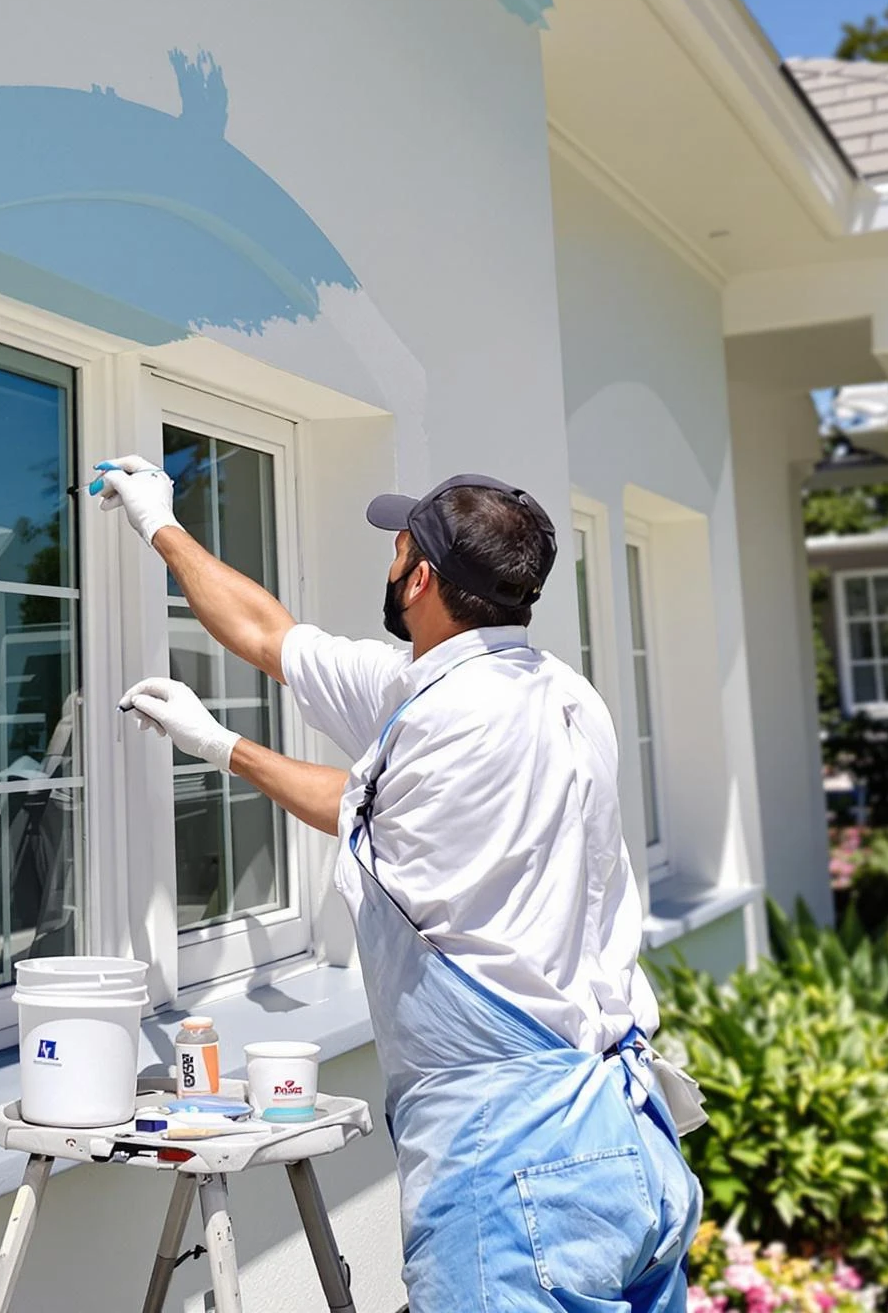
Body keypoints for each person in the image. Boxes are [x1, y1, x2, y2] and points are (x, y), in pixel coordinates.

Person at [92, 458, 702, 1313]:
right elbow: (273, 638)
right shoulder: (545, 690)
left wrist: (221, 747)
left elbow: (356, 804)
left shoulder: (455, 719)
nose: (387, 558)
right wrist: (161, 523)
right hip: (628, 1144)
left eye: (398, 546)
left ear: (419, 578)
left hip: (515, 1159)